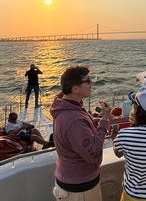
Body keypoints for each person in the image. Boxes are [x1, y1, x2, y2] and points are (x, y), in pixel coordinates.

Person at [50, 65, 112, 201]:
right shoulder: (73, 119)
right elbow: (93, 154)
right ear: (75, 88)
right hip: (80, 189)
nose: (91, 83)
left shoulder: (67, 105)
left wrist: (90, 122)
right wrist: (104, 121)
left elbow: (76, 132)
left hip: (72, 181)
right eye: (87, 81)